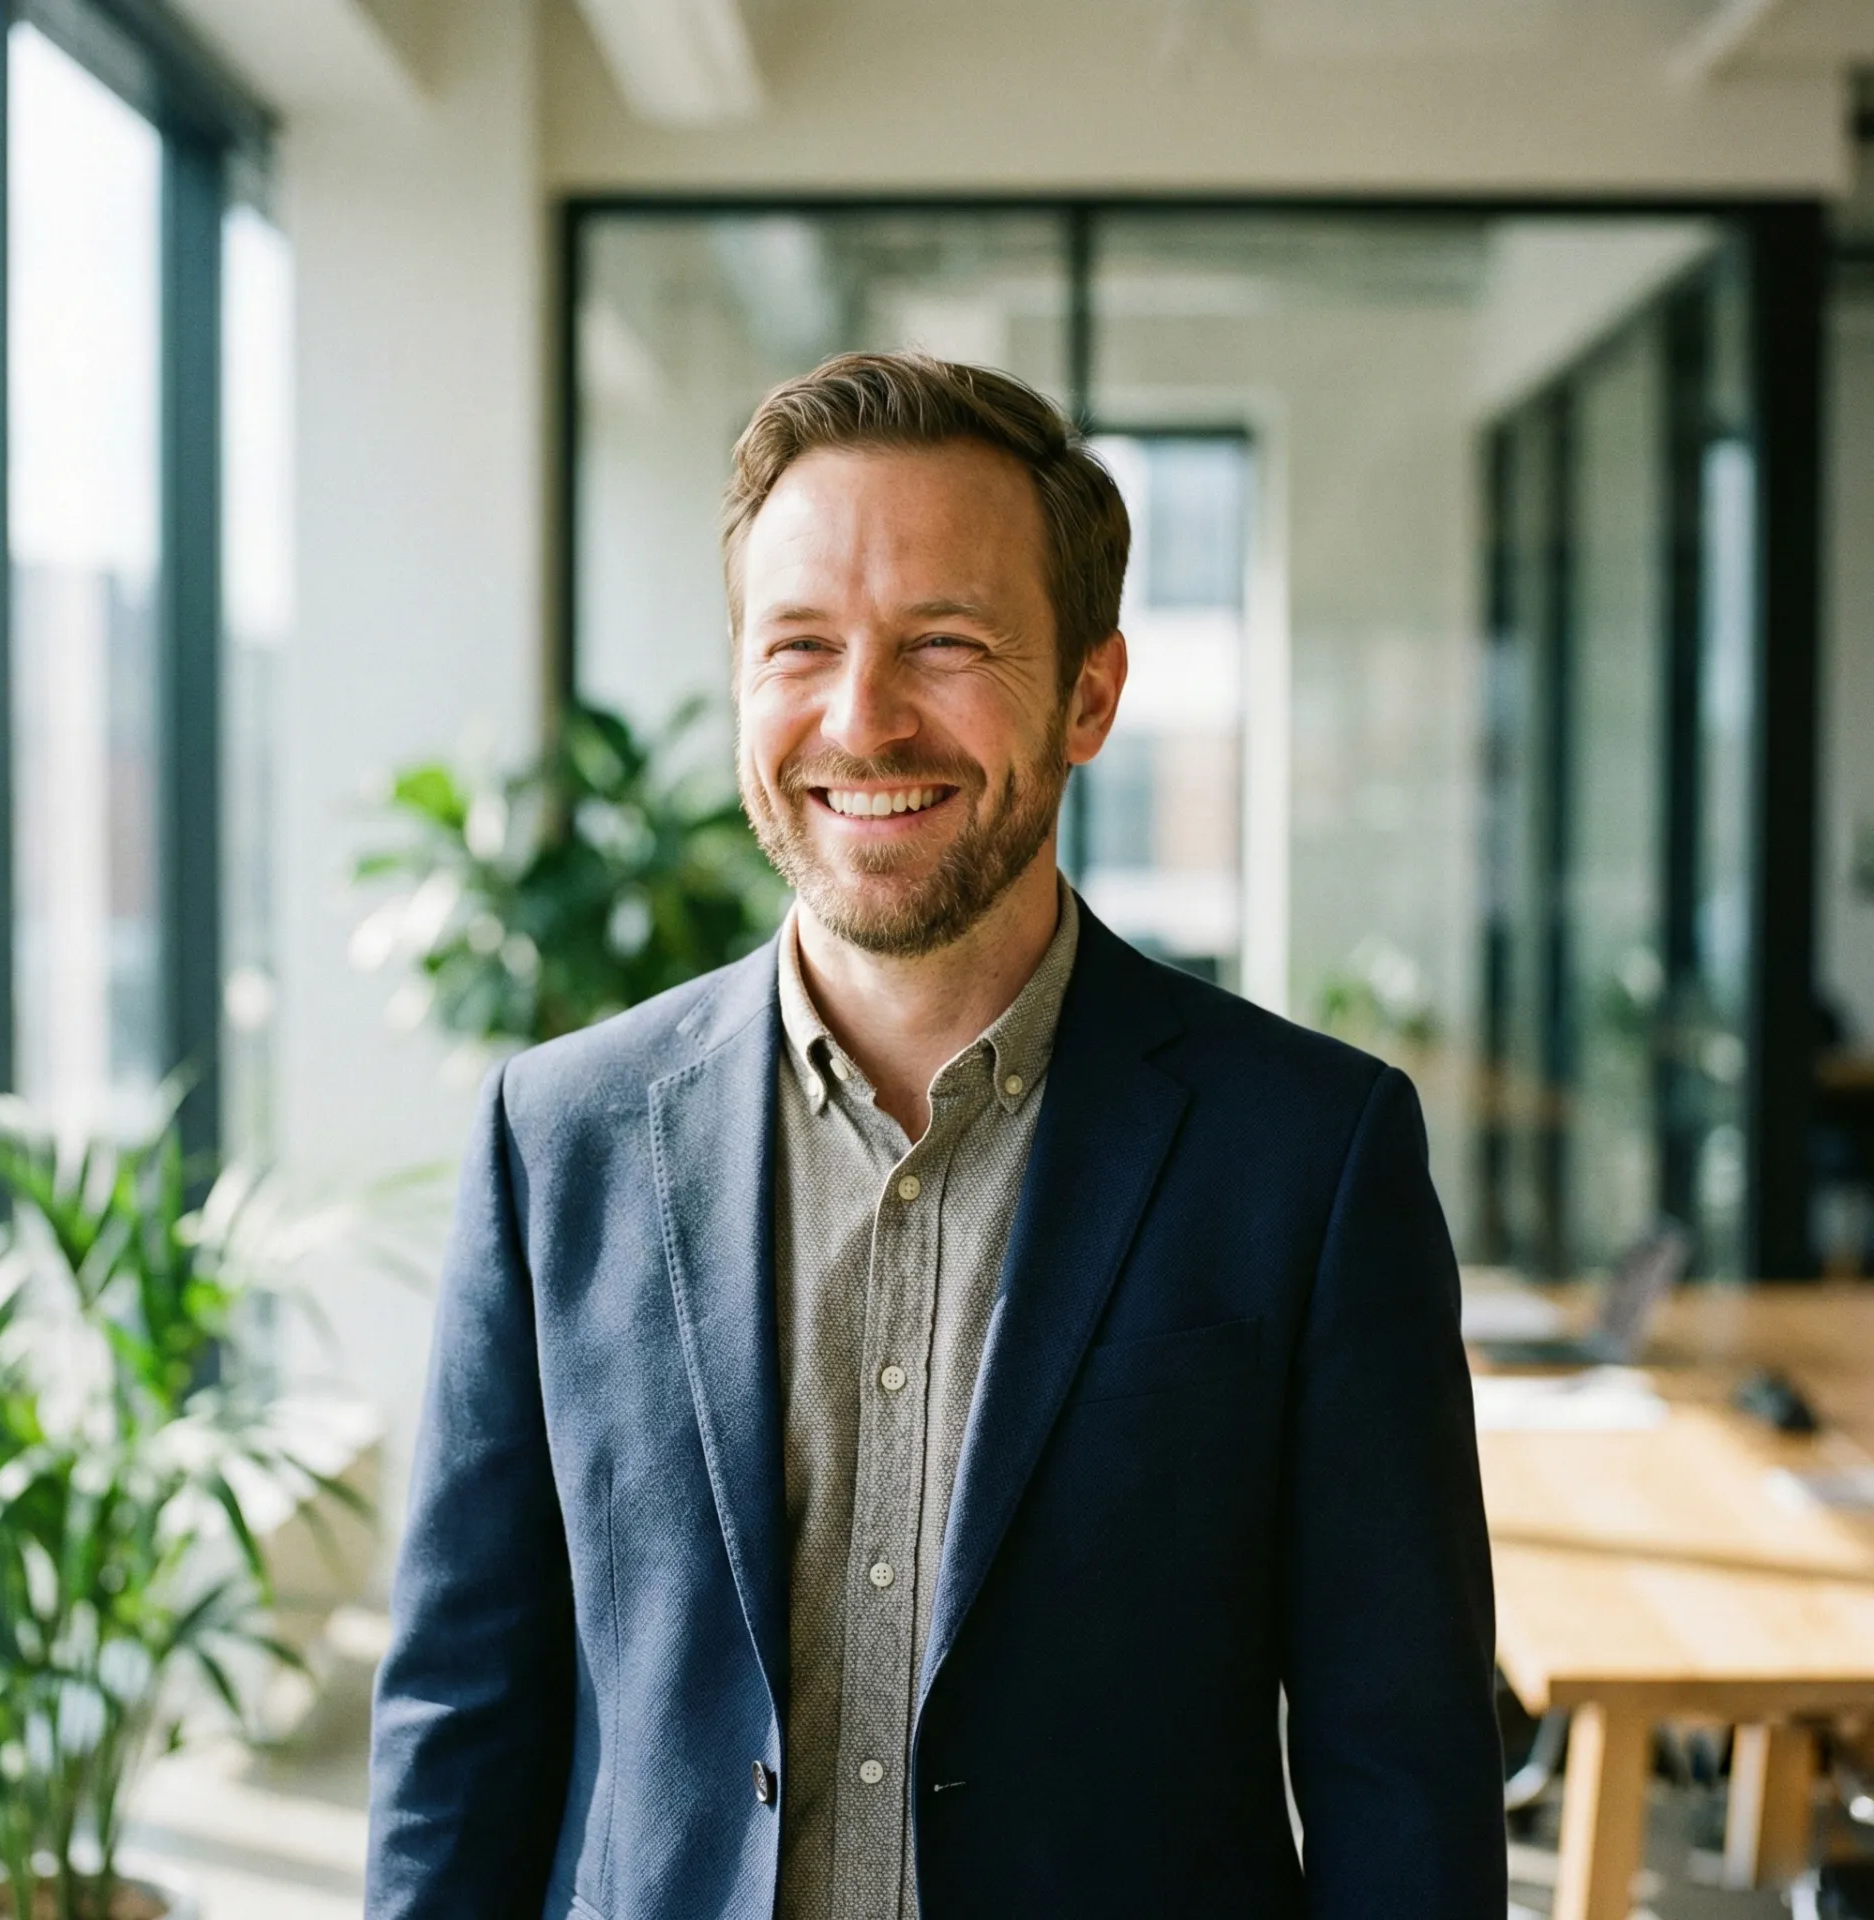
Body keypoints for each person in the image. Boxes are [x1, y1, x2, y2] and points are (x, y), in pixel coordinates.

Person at [365, 352, 1507, 1919]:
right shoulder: (555, 1139)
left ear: (1092, 693)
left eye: (946, 643)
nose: (861, 717)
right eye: (801, 645)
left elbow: (1404, 1771)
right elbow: (460, 1725)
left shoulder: (1309, 1156)